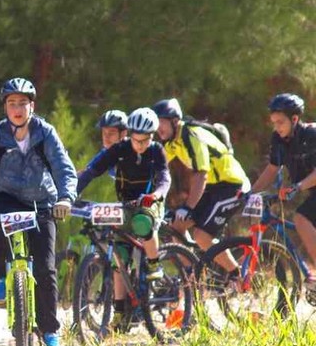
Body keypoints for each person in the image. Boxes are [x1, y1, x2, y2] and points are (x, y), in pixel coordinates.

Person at [0, 77, 77, 346]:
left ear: (32, 106)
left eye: (22, 103)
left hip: (43, 201)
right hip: (8, 197)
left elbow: (63, 167)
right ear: (5, 108)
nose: (17, 108)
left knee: (46, 270)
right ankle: (1, 276)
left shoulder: (45, 132)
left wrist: (65, 198)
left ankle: (50, 334)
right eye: (11, 103)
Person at [77, 108, 171, 331]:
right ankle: (119, 313)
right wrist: (71, 194)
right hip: (126, 204)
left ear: (152, 136)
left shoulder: (156, 151)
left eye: (144, 141)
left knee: (143, 222)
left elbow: (164, 179)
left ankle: (154, 265)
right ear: (130, 134)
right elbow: (92, 170)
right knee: (118, 257)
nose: (139, 145)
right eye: (136, 140)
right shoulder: (119, 149)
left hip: (149, 202)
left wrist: (156, 196)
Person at [153, 98, 249, 273]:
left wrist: (189, 207)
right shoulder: (172, 141)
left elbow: (200, 175)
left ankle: (237, 276)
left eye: (161, 123)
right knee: (177, 227)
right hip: (213, 187)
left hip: (232, 185)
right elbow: (156, 168)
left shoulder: (191, 135)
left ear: (175, 121)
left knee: (201, 235)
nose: (158, 128)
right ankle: (193, 278)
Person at [251, 93, 316, 290]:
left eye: (280, 122)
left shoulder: (311, 135)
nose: (276, 127)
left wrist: (297, 187)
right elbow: (272, 169)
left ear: (295, 119)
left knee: (301, 219)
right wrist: (251, 193)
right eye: (273, 123)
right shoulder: (279, 140)